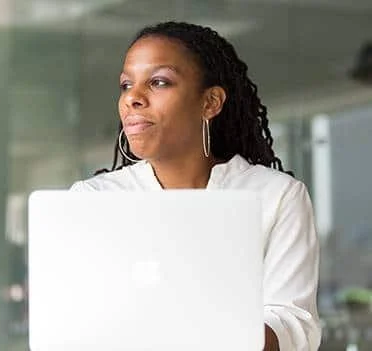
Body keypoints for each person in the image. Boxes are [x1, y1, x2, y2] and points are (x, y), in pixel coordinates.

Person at [71, 21, 321, 350]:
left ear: (210, 102)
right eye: (126, 85)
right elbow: (73, 323)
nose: (133, 97)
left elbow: (293, 325)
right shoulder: (93, 200)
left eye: (158, 82)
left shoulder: (276, 196)